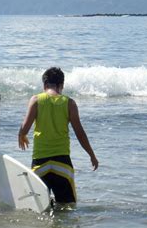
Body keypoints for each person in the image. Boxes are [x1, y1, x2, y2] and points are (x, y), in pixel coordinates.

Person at [18, 67, 98, 203]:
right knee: (67, 208)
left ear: (44, 85)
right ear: (62, 85)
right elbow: (80, 132)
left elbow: (25, 127)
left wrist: (22, 135)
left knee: (41, 207)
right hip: (62, 164)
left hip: (40, 163)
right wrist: (91, 155)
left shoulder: (36, 100)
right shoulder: (69, 103)